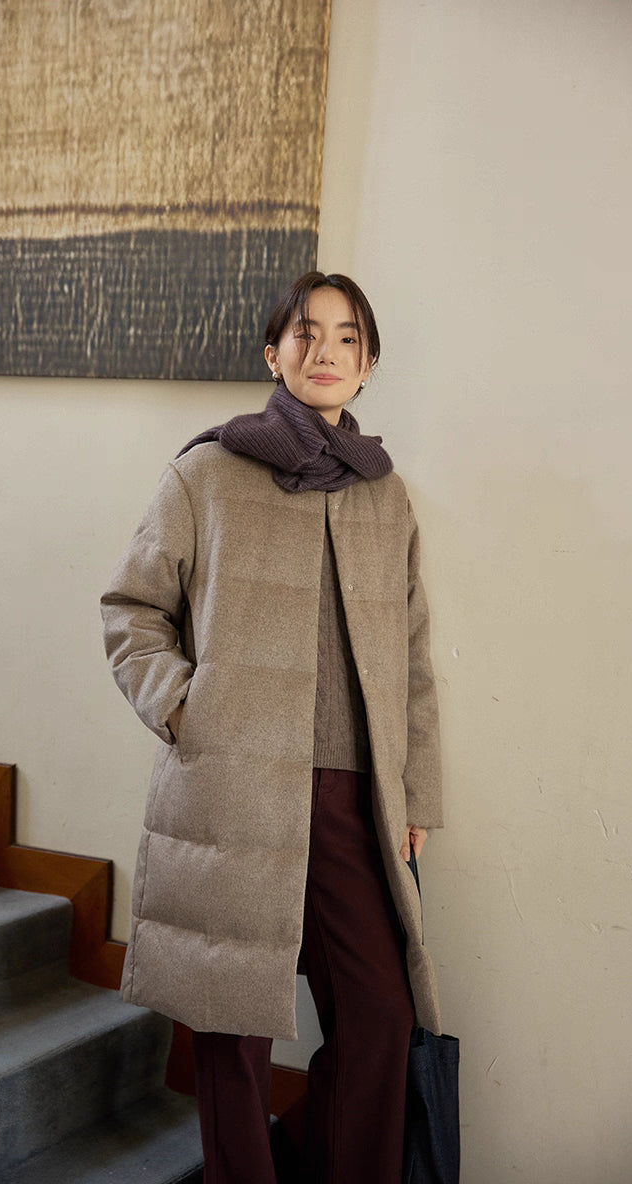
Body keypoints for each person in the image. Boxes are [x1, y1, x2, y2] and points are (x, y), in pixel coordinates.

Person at [101, 272, 444, 1183]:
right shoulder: (208, 471)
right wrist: (185, 708)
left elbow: (411, 659)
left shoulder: (387, 496)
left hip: (353, 796)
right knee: (230, 1030)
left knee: (380, 1013)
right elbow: (132, 609)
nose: (324, 351)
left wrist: (416, 794)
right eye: (305, 334)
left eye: (345, 338)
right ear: (272, 352)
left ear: (368, 365)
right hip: (233, 785)